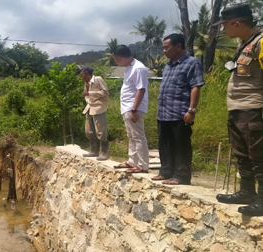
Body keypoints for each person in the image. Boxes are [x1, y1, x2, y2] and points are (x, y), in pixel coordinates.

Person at [213, 4, 263, 216]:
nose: (223, 29)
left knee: (259, 155)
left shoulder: (261, 42)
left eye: (224, 25)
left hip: (255, 109)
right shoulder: (245, 44)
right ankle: (247, 191)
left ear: (236, 23)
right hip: (239, 110)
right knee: (242, 154)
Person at [151, 33, 205, 185]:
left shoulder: (191, 63)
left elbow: (195, 86)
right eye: (163, 48)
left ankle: (181, 176)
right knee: (165, 144)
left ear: (178, 47)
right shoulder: (168, 65)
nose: (164, 51)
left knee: (181, 145)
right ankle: (166, 171)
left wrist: (191, 110)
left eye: (166, 47)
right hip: (163, 113)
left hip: (180, 113)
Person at [111, 45, 150, 173]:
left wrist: (134, 109)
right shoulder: (129, 68)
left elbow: (141, 89)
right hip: (127, 107)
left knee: (138, 136)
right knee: (131, 136)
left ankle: (142, 165)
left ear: (120, 58)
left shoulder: (138, 68)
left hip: (133, 107)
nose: (116, 62)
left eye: (116, 59)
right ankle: (132, 161)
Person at [79, 66, 110, 161]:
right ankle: (94, 151)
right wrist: (88, 97)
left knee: (100, 130)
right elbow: (87, 95)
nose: (80, 75)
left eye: (81, 73)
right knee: (89, 130)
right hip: (89, 107)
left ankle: (104, 153)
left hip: (98, 107)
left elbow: (105, 92)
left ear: (85, 72)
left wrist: (89, 93)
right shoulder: (86, 83)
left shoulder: (97, 79)